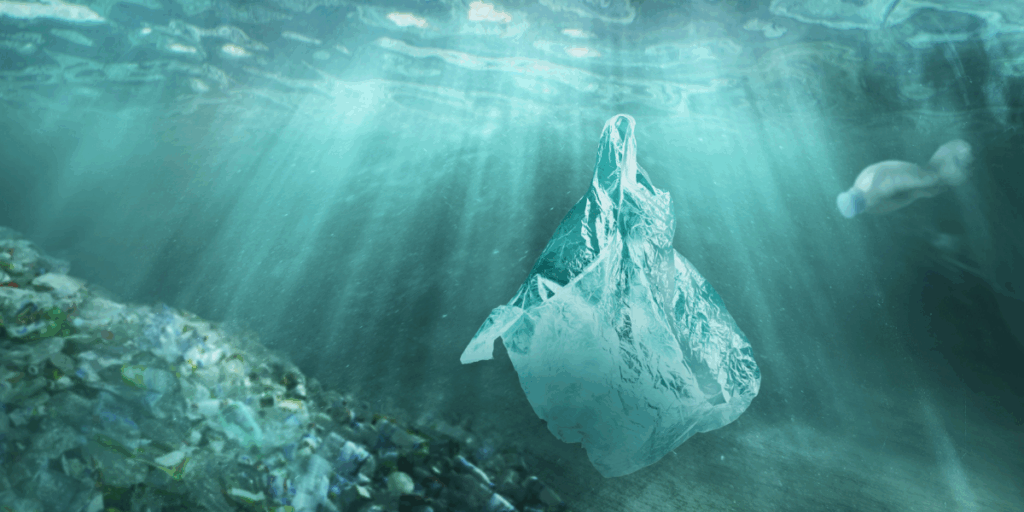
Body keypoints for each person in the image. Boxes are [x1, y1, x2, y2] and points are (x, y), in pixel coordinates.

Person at [837, 139, 973, 218]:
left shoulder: (870, 189)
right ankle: (957, 160)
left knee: (930, 178)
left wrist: (923, 186)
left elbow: (896, 181)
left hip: (897, 178)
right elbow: (900, 198)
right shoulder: (868, 199)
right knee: (930, 182)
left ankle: (958, 156)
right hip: (898, 182)